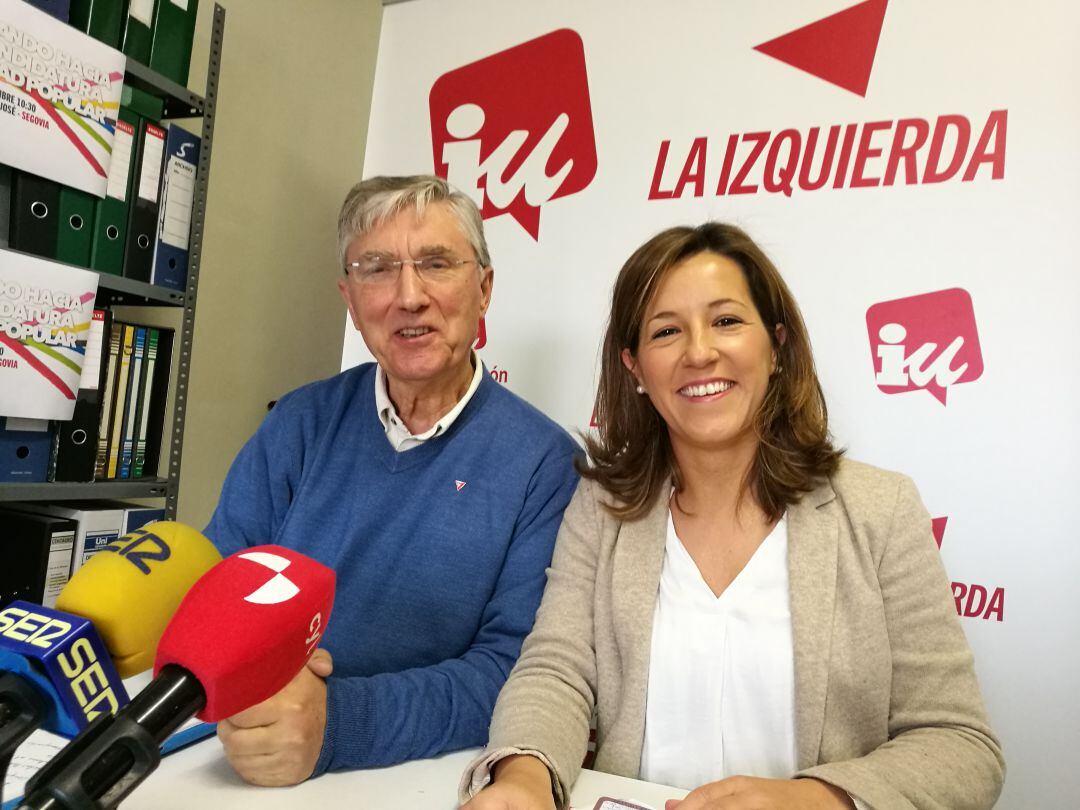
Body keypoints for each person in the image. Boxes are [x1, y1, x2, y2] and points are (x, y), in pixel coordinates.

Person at [459, 223, 1004, 810]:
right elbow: (554, 671)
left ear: (777, 345)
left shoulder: (881, 510)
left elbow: (960, 744)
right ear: (635, 368)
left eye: (726, 321)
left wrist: (816, 800)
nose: (699, 352)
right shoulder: (601, 510)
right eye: (666, 331)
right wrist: (523, 775)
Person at [204, 175, 580, 786]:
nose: (410, 296)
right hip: (251, 754)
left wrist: (339, 722)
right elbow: (218, 583)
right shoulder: (299, 423)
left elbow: (514, 672)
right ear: (350, 300)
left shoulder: (545, 464)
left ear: (484, 289)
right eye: (377, 269)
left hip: (420, 780)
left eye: (436, 264)